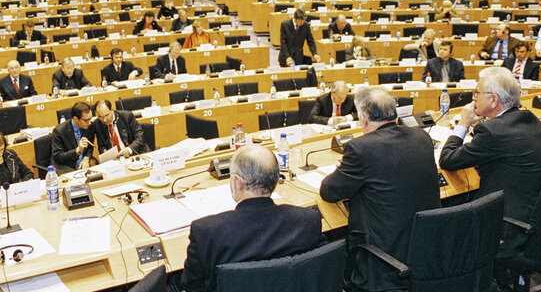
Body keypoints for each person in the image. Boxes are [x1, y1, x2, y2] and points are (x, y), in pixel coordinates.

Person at [320, 87, 440, 292]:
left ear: (364, 119)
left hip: (383, 257)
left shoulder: (360, 148)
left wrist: (345, 169)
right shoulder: (421, 137)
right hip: (425, 248)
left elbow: (329, 192)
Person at [439, 67, 541, 263]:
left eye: (477, 93)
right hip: (538, 215)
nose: (473, 98)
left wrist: (463, 124)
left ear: (493, 100)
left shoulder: (493, 131)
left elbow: (448, 160)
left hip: (506, 223)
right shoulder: (530, 119)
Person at [181, 144, 326, 292]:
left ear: (238, 182)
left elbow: (192, 287)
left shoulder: (206, 233)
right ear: (276, 179)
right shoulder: (308, 220)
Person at [50, 101, 97, 171]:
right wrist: (77, 150)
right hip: (66, 167)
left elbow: (90, 146)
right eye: (86, 120)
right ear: (75, 119)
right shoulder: (59, 131)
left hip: (83, 167)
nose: (89, 123)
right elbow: (58, 157)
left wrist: (86, 158)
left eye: (90, 119)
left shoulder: (90, 126)